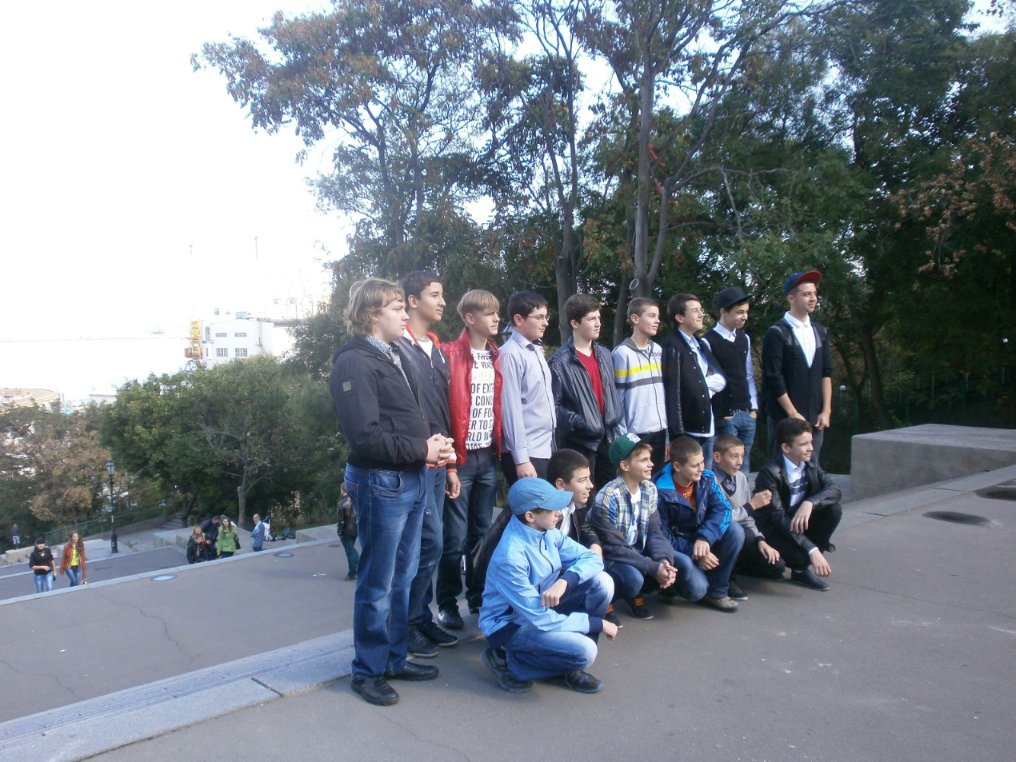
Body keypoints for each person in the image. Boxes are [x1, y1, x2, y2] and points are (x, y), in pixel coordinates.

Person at [330, 278, 454, 707]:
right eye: (396, 307)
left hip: (412, 476)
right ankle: (367, 671)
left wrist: (434, 448)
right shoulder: (353, 362)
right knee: (378, 581)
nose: (405, 314)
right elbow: (364, 435)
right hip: (383, 482)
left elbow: (411, 413)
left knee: (402, 577)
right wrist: (423, 448)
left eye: (404, 307)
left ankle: (393, 658)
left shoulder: (394, 353)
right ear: (371, 314)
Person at [479, 478, 617, 694]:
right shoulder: (511, 557)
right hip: (509, 626)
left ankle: (565, 662)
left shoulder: (547, 531)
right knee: (586, 652)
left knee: (602, 582)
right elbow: (538, 617)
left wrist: (565, 580)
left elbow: (593, 559)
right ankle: (507, 660)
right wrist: (595, 624)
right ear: (530, 516)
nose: (560, 513)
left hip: (541, 607)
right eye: (552, 508)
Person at [397, 271, 459, 658]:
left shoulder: (434, 346)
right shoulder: (399, 348)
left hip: (440, 463)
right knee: (426, 544)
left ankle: (420, 617)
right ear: (410, 300)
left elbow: (442, 409)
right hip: (416, 463)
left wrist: (451, 464)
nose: (441, 302)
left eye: (442, 294)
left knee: (431, 547)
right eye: (434, 295)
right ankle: (406, 624)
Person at [438, 289, 503, 629]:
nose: (496, 318)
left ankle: (478, 598)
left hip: (487, 457)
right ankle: (447, 603)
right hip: (460, 460)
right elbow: (441, 413)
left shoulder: (495, 357)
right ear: (469, 318)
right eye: (489, 312)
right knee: (454, 539)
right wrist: (449, 463)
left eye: (497, 312)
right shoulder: (448, 354)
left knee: (482, 535)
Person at [590, 433, 680, 625]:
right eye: (644, 460)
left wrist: (663, 562)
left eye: (650, 459)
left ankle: (635, 594)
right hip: (612, 558)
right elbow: (613, 548)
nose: (651, 464)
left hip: (637, 550)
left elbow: (656, 532)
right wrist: (652, 567)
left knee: (680, 566)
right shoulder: (607, 497)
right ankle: (604, 600)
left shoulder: (649, 489)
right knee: (633, 579)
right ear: (625, 466)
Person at [654, 436, 744, 612]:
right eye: (695, 465)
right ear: (677, 466)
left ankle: (718, 591)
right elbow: (661, 536)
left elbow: (723, 510)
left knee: (735, 531)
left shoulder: (707, 478)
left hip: (700, 540)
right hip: (681, 550)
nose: (702, 468)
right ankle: (670, 587)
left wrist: (705, 538)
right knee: (697, 590)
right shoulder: (659, 491)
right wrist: (696, 552)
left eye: (702, 462)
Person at [753, 418, 841, 591]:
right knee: (799, 558)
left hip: (796, 522)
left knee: (833, 510)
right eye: (804, 444)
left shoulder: (810, 461)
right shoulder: (770, 473)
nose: (811, 448)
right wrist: (811, 549)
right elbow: (778, 518)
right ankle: (801, 563)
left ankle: (802, 568)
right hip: (774, 529)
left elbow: (834, 489)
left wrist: (810, 502)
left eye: (810, 442)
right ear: (786, 448)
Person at [549, 294, 623, 490]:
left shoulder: (605, 354)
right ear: (574, 323)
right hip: (579, 443)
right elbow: (553, 408)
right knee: (581, 503)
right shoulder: (560, 362)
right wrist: (582, 423)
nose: (598, 323)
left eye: (598, 318)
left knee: (608, 498)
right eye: (591, 319)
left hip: (607, 439)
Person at [761, 271, 833, 463]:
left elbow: (826, 373)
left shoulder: (820, 331)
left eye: (815, 293)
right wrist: (792, 413)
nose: (813, 298)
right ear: (791, 298)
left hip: (814, 420)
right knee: (781, 474)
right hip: (784, 420)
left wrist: (826, 410)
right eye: (806, 294)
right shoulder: (777, 333)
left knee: (811, 472)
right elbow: (773, 377)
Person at [711, 434, 785, 594]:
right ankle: (726, 577)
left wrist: (761, 539)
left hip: (744, 534)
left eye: (742, 456)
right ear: (717, 457)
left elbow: (747, 518)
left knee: (777, 566)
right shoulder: (709, 480)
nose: (739, 462)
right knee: (740, 533)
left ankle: (742, 569)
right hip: (719, 538)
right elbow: (718, 519)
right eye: (734, 456)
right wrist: (751, 506)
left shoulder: (741, 478)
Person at [661, 293, 726, 466]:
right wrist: (678, 434)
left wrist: (700, 387)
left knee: (705, 478)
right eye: (695, 311)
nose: (701, 314)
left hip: (707, 425)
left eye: (701, 310)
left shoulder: (700, 344)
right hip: (687, 429)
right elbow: (673, 390)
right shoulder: (672, 345)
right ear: (680, 317)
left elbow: (721, 379)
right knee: (687, 481)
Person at [500, 291, 556, 485]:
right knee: (531, 513)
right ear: (518, 319)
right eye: (539, 317)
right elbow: (511, 410)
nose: (545, 322)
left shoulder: (536, 351)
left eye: (545, 317)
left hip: (544, 447)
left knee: (543, 512)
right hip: (526, 453)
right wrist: (521, 459)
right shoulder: (510, 355)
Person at [703, 287, 760, 475]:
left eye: (747, 312)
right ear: (723, 312)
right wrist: (721, 413)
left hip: (747, 412)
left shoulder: (744, 339)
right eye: (739, 312)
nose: (744, 317)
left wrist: (753, 408)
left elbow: (748, 374)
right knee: (725, 465)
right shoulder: (708, 341)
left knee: (744, 464)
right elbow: (708, 380)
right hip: (726, 415)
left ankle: (743, 502)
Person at [611, 297, 668, 470]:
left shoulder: (658, 351)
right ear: (635, 319)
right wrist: (623, 437)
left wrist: (668, 437)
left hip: (660, 430)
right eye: (651, 316)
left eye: (657, 316)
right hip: (637, 433)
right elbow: (617, 399)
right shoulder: (622, 354)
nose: (657, 321)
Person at [547, 449, 602, 555]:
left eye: (589, 478)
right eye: (582, 480)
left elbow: (586, 528)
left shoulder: (578, 504)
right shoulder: (541, 513)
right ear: (561, 485)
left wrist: (595, 545)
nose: (590, 485)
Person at [336, 483, 359, 581]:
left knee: (349, 552)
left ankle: (352, 574)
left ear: (342, 490)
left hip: (346, 531)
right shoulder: (356, 500)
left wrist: (340, 532)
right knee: (351, 549)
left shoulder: (342, 504)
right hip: (356, 529)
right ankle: (359, 564)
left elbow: (341, 521)